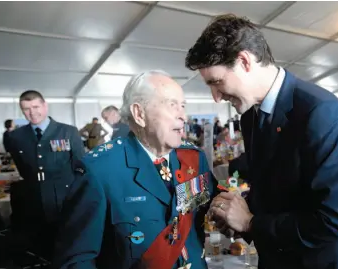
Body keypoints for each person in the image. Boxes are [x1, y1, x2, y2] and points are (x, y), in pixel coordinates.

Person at [185, 14, 338, 269]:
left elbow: (331, 222)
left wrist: (250, 223)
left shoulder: (320, 112)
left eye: (216, 82)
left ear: (244, 61)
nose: (215, 97)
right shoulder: (250, 115)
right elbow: (275, 191)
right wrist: (237, 214)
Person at [53, 70, 217, 269]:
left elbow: (212, 203)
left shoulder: (193, 159)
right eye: (172, 105)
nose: (183, 115)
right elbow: (77, 259)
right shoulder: (100, 170)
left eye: (182, 106)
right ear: (139, 114)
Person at [7, 90, 85, 260]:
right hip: (34, 203)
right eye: (26, 109)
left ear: (45, 106)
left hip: (65, 201)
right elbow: (23, 169)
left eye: (35, 107)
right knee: (43, 249)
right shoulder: (16, 137)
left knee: (70, 248)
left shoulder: (68, 132)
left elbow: (80, 168)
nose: (32, 113)